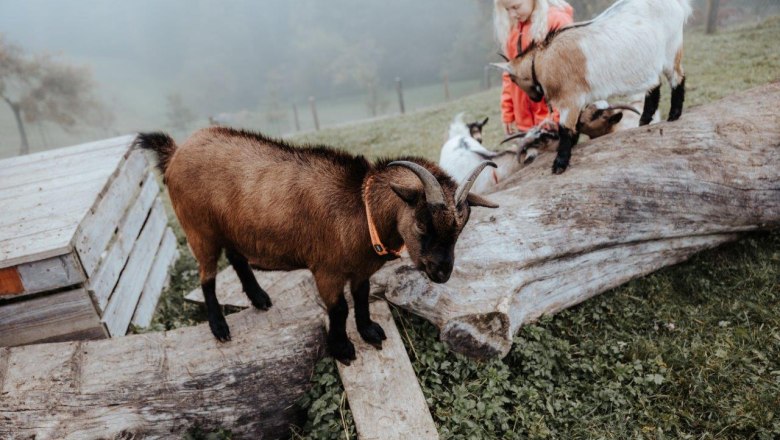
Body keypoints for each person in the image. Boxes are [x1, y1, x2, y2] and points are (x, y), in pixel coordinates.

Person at [494, 0, 574, 134]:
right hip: (526, 126)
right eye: (507, 10)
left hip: (554, 124)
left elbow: (568, 76)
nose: (512, 14)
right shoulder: (514, 32)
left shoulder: (556, 21)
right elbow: (510, 75)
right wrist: (508, 112)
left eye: (516, 7)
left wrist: (557, 118)